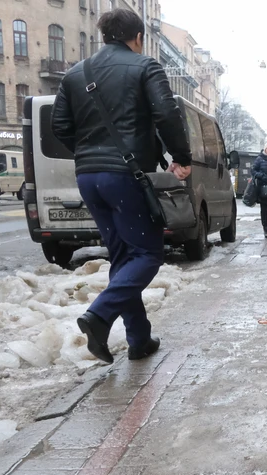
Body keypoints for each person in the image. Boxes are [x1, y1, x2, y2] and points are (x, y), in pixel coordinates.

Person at [52, 8, 191, 365]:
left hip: (89, 177)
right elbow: (166, 113)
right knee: (148, 254)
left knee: (123, 257)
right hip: (126, 176)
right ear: (139, 37)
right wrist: (181, 156)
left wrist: (88, 154)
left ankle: (139, 339)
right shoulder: (145, 67)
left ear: (103, 35)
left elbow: (61, 127)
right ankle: (99, 316)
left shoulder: (74, 74)